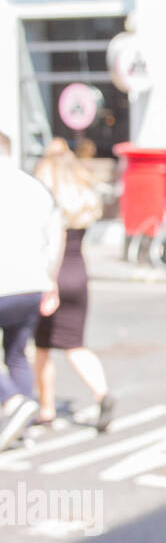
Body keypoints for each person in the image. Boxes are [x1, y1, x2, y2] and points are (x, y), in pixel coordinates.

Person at [31, 138, 114, 431]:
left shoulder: (45, 197)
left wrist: (48, 282)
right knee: (75, 344)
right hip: (78, 271)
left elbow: (52, 244)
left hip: (53, 273)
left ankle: (47, 408)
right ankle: (102, 394)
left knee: (42, 347)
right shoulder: (82, 193)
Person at [0, 131, 64, 451]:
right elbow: (56, 235)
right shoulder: (34, 187)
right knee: (16, 354)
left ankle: (11, 400)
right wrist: (50, 279)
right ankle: (21, 422)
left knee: (14, 355)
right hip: (32, 284)